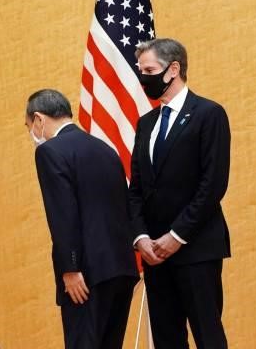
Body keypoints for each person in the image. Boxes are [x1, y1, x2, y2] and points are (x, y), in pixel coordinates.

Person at [129, 38, 231, 348]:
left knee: (208, 336)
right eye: (141, 71)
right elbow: (137, 188)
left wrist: (176, 236)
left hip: (196, 248)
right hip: (155, 254)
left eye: (149, 70)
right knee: (166, 339)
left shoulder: (209, 114)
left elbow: (212, 185)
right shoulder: (146, 123)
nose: (143, 77)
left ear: (173, 69)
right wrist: (140, 237)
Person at [26, 89, 139, 349]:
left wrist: (71, 268)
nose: (31, 133)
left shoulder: (50, 151)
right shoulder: (105, 149)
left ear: (39, 119)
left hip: (86, 276)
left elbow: (62, 214)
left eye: (29, 125)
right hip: (121, 269)